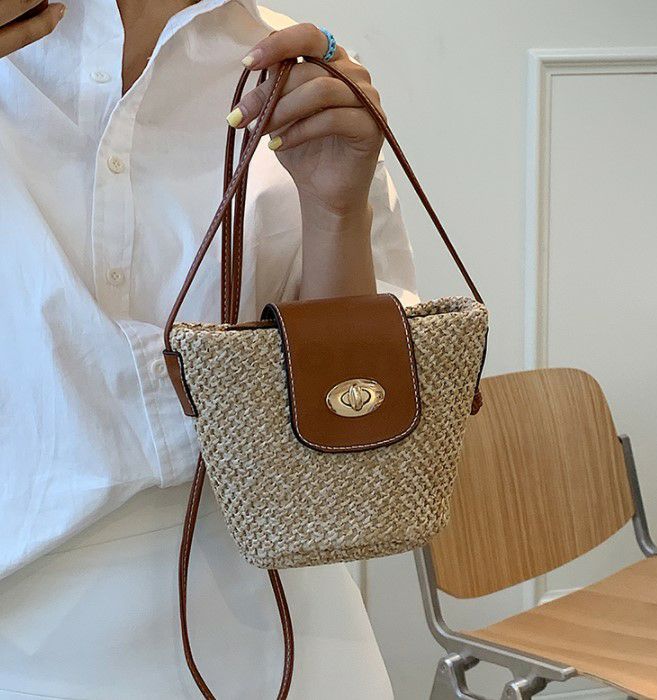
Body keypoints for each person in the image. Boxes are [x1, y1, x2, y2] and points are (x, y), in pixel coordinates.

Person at [0, 1, 418, 698]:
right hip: (22, 633)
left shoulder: (292, 71)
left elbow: (351, 434)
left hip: (286, 626)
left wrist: (336, 212)